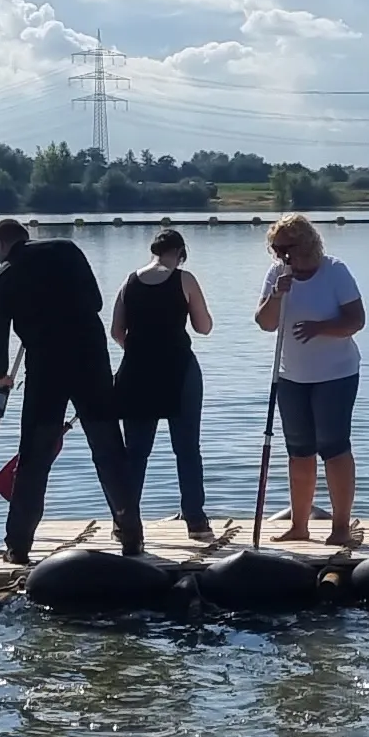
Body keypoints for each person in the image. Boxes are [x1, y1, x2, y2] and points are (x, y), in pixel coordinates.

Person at [0, 219, 144, 562]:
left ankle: (18, 546)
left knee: (34, 459)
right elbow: (98, 303)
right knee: (109, 450)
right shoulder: (67, 250)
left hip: (46, 371)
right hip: (91, 361)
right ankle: (131, 536)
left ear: (0, 244)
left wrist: (1, 375)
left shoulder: (5, 276)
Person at [252, 215, 369, 545]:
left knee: (333, 447)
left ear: (302, 245)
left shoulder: (335, 271)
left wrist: (320, 328)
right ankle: (299, 525)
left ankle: (341, 528)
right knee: (299, 451)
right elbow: (265, 323)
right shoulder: (278, 275)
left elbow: (355, 320)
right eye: (274, 250)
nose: (278, 256)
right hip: (291, 376)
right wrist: (276, 296)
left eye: (283, 249)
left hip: (335, 374)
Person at [110, 230, 217, 540]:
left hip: (137, 373)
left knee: (135, 453)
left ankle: (126, 522)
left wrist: (141, 349)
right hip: (179, 370)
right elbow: (204, 327)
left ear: (153, 251)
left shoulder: (128, 283)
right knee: (186, 449)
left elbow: (117, 332)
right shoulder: (184, 279)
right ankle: (195, 520)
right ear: (180, 252)